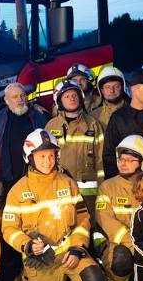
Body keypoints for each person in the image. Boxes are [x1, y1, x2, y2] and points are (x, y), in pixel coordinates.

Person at [1, 129, 105, 281]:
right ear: (29, 157)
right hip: (41, 258)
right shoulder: (17, 191)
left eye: (51, 155)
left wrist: (77, 248)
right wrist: (28, 245)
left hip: (69, 251)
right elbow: (8, 229)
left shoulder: (68, 183)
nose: (48, 161)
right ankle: (25, 278)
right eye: (41, 156)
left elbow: (83, 218)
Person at [95, 135, 143, 281]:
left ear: (142, 162)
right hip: (116, 244)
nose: (123, 163)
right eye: (121, 159)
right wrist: (134, 245)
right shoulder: (107, 187)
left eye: (129, 160)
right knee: (121, 257)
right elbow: (106, 221)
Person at [45, 80, 105, 208]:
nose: (72, 99)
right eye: (67, 96)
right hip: (59, 189)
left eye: (74, 95)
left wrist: (102, 189)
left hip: (88, 193)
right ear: (59, 101)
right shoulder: (51, 126)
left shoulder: (93, 124)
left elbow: (101, 159)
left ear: (80, 97)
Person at [0, 83, 47, 196]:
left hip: (37, 175)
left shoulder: (38, 115)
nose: (20, 99)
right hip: (10, 178)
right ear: (6, 100)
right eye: (15, 97)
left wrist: (33, 105)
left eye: (22, 95)